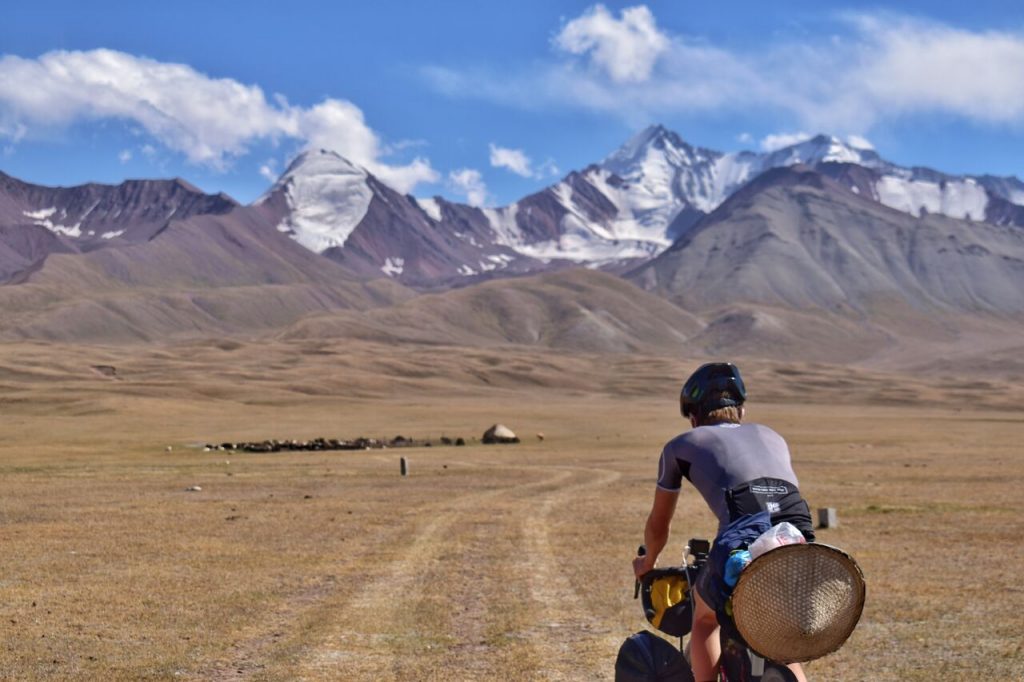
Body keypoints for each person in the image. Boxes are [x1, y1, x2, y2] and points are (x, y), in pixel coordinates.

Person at [632, 362, 814, 682]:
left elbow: (659, 523)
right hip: (798, 533)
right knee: (779, 635)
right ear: (740, 412)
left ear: (694, 417)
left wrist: (647, 562)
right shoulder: (772, 435)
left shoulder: (681, 445)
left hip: (743, 530)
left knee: (705, 620)